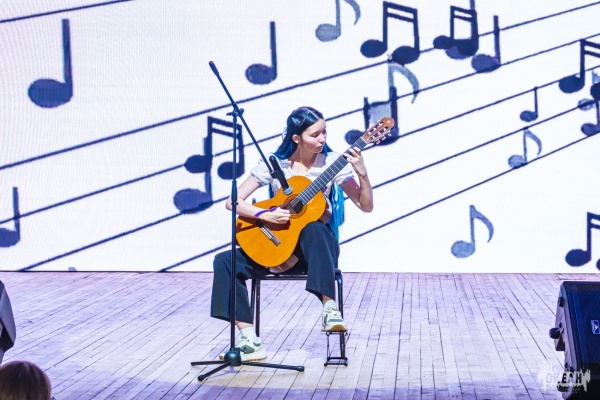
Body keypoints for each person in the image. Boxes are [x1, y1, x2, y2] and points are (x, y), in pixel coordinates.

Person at [211, 106, 374, 361]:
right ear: (296, 138)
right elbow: (233, 201)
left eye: (324, 132)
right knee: (224, 261)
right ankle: (249, 340)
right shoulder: (275, 163)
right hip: (278, 246)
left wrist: (362, 174)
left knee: (314, 227)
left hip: (315, 253)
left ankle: (329, 308)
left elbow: (366, 206)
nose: (322, 138)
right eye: (315, 134)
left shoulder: (333, 163)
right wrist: (263, 215)